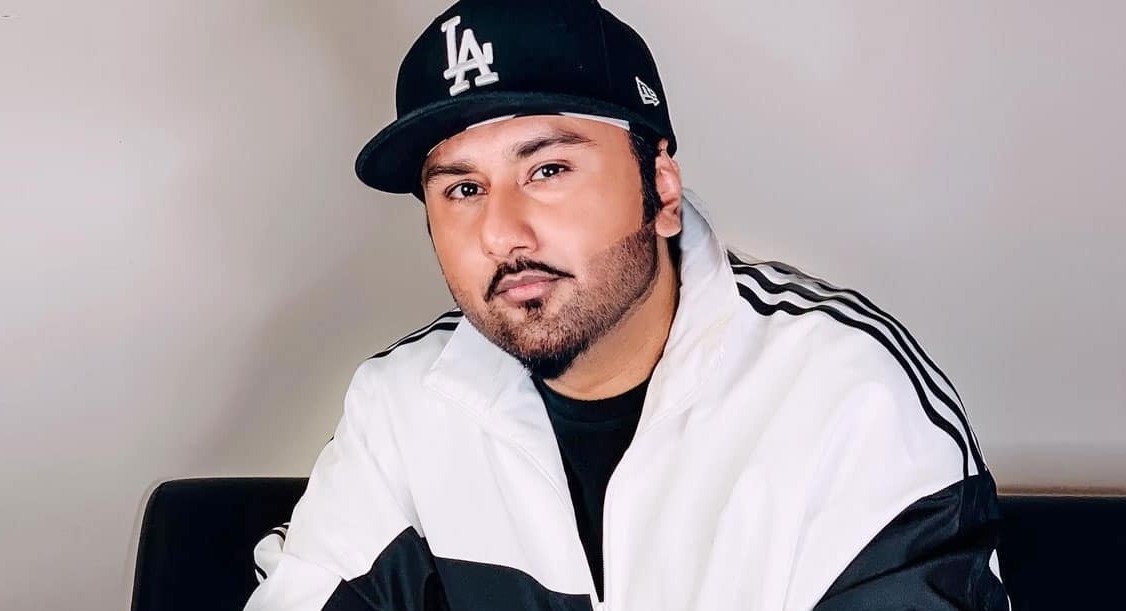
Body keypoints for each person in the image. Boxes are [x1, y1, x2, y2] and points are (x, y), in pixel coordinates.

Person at [246, 1, 1009, 609]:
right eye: (463, 188)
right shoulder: (401, 404)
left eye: (548, 168)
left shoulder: (848, 393)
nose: (502, 232)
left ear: (662, 188)